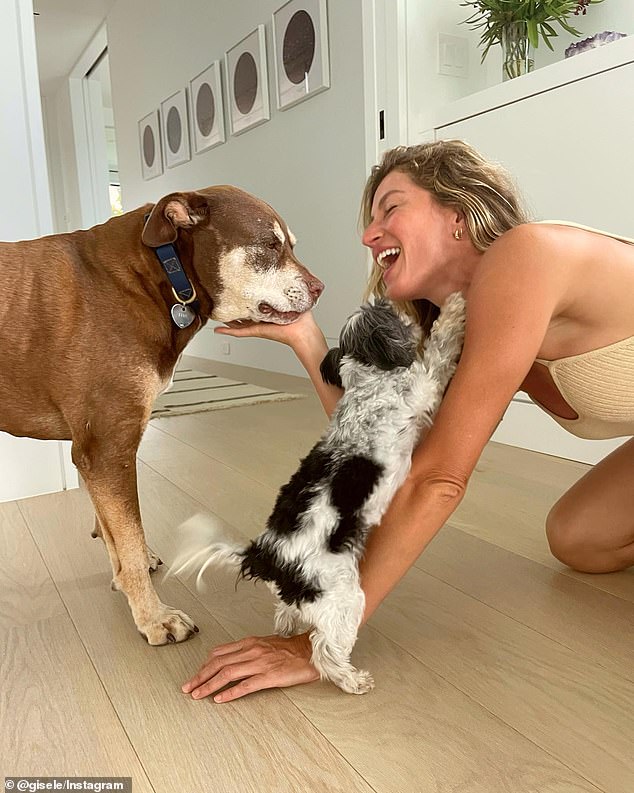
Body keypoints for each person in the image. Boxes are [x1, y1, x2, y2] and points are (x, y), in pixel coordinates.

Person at [181, 139, 634, 703]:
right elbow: (386, 448)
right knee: (578, 540)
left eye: (390, 208)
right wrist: (304, 336)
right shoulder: (459, 325)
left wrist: (323, 640)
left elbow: (438, 478)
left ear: (459, 214)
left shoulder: (527, 254)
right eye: (369, 221)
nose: (369, 236)